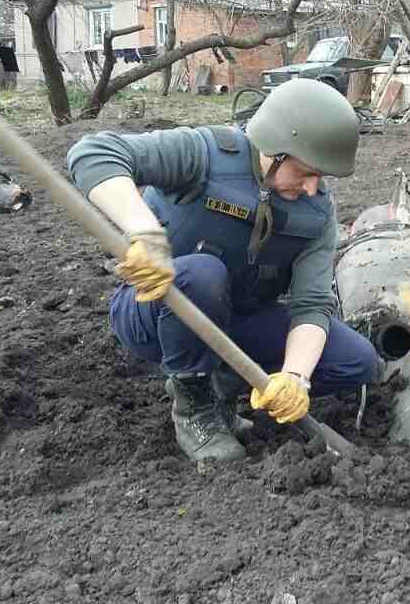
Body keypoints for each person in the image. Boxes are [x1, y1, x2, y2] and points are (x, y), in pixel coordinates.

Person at [66, 78, 380, 462]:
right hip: (154, 310)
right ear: (275, 149)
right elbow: (95, 151)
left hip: (236, 322)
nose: (313, 188)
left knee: (356, 361)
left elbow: (312, 305)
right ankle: (194, 407)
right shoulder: (205, 155)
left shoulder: (315, 214)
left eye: (322, 177)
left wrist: (295, 378)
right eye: (306, 172)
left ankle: (222, 387)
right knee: (202, 274)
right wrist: (143, 231)